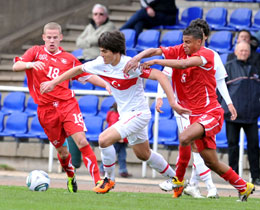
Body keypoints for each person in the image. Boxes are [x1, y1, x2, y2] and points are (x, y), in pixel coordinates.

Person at [40, 30, 191, 194]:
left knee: (103, 139)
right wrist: (53, 83)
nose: (101, 54)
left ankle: (109, 179)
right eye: (100, 50)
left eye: (104, 51)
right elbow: (77, 70)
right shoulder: (100, 63)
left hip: (139, 114)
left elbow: (160, 76)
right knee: (143, 154)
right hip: (127, 115)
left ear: (116, 51)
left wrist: (172, 102)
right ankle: (177, 180)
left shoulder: (130, 66)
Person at [123, 26, 255, 202]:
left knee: (184, 137)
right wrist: (138, 57)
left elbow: (184, 64)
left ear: (199, 42)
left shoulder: (206, 55)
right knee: (211, 162)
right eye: (183, 41)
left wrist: (157, 62)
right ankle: (243, 186)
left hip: (210, 112)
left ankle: (177, 180)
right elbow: (156, 50)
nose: (183, 45)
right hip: (194, 115)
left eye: (188, 42)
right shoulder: (179, 50)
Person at [12, 22, 110, 192]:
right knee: (63, 152)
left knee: (82, 141)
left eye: (55, 37)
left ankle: (98, 182)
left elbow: (86, 76)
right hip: (46, 110)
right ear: (43, 38)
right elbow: (15, 66)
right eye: (48, 37)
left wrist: (107, 85)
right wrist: (30, 64)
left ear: (60, 38)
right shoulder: (35, 52)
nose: (51, 41)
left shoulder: (68, 59)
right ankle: (71, 176)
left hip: (67, 105)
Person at [157, 18, 237, 199]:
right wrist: (161, 97)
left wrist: (229, 102)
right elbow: (166, 74)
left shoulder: (210, 55)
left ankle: (192, 183)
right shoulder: (180, 52)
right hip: (183, 107)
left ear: (203, 38)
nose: (189, 43)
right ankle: (200, 185)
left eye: (199, 35)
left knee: (198, 148)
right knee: (194, 146)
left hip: (204, 109)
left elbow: (219, 80)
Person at [223, 41, 260, 186]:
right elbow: (220, 91)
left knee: (253, 147)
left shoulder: (254, 69)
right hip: (233, 115)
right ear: (236, 51)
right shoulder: (228, 68)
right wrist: (223, 109)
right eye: (242, 50)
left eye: (246, 50)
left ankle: (256, 177)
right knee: (232, 146)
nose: (244, 52)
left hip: (251, 116)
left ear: (249, 52)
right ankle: (233, 176)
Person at [99, 102, 132, 178]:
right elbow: (115, 127)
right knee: (110, 156)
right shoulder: (114, 115)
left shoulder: (112, 113)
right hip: (116, 140)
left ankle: (123, 170)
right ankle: (102, 169)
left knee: (122, 156)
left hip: (122, 140)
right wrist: (119, 138)